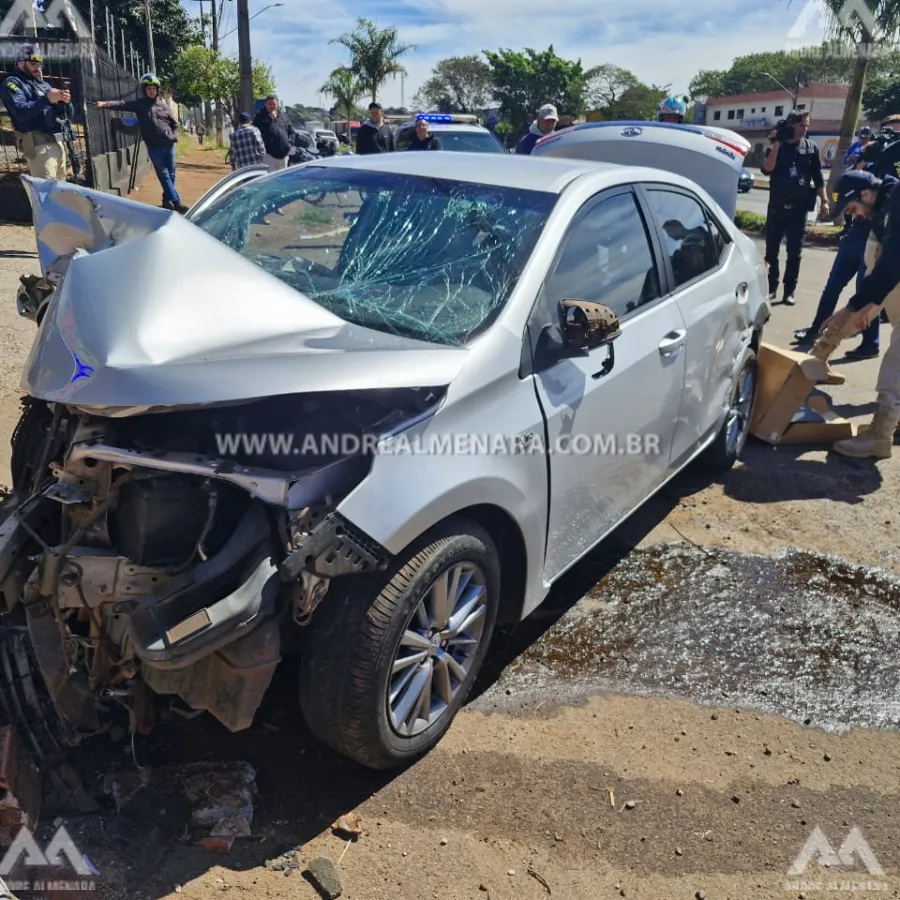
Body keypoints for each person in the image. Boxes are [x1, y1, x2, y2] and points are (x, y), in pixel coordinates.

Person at [816, 169, 900, 458]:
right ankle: (815, 359)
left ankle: (881, 435)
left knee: (897, 362)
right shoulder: (888, 202)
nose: (856, 216)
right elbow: (887, 264)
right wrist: (863, 304)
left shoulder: (896, 200)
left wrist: (866, 304)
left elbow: (894, 260)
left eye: (853, 209)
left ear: (866, 194)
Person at [760, 111, 830, 306]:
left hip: (799, 210)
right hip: (777, 208)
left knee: (795, 253)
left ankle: (789, 291)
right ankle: (772, 287)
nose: (805, 129)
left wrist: (824, 200)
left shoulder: (811, 148)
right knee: (771, 251)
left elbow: (818, 177)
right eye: (802, 125)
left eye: (807, 125)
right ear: (791, 125)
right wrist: (775, 144)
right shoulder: (777, 145)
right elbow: (767, 169)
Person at [95, 73, 186, 213]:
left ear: (157, 89)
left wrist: (174, 137)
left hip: (169, 146)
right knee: (164, 176)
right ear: (144, 90)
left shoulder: (164, 105)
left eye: (153, 88)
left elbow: (174, 124)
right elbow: (122, 104)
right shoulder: (140, 105)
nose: (151, 91)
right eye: (148, 88)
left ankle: (166, 201)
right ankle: (177, 202)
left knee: (172, 175)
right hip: (154, 148)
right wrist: (106, 104)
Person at [0, 43, 74, 180]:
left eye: (40, 64)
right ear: (21, 63)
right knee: (45, 194)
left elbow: (68, 116)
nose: (38, 68)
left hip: (57, 144)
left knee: (62, 193)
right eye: (33, 63)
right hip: (39, 146)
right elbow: (20, 112)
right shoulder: (12, 83)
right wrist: (47, 99)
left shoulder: (43, 84)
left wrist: (66, 103)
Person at [253, 93, 295, 171]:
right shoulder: (259, 118)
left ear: (277, 104)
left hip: (284, 156)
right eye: (269, 104)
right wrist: (270, 120)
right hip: (269, 156)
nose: (272, 106)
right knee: (270, 180)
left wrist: (289, 144)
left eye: (274, 104)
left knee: (282, 179)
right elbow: (258, 135)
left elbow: (292, 132)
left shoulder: (284, 116)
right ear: (265, 104)